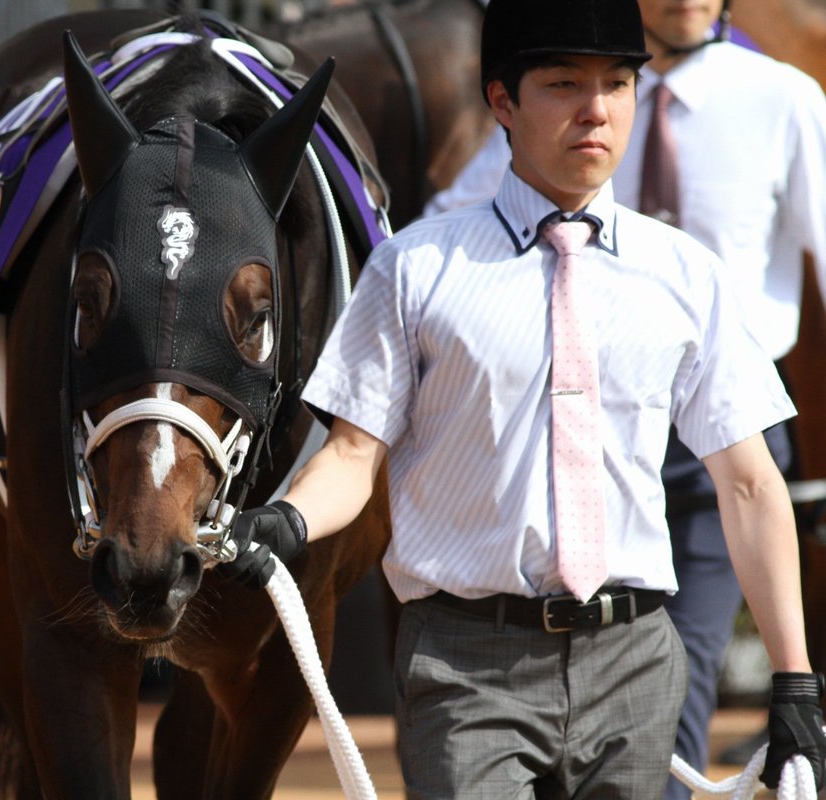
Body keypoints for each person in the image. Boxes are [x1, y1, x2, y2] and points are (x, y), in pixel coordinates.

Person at [217, 0, 826, 795]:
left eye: (617, 83)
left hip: (635, 663)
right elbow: (352, 455)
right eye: (565, 83)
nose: (597, 110)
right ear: (501, 101)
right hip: (466, 668)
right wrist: (286, 520)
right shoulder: (413, 270)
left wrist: (795, 680)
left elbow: (748, 482)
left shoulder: (688, 276)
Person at [419, 2, 826, 795]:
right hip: (569, 432)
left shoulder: (784, 99)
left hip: (723, 442)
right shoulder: (563, 108)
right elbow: (458, 218)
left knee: (680, 672)